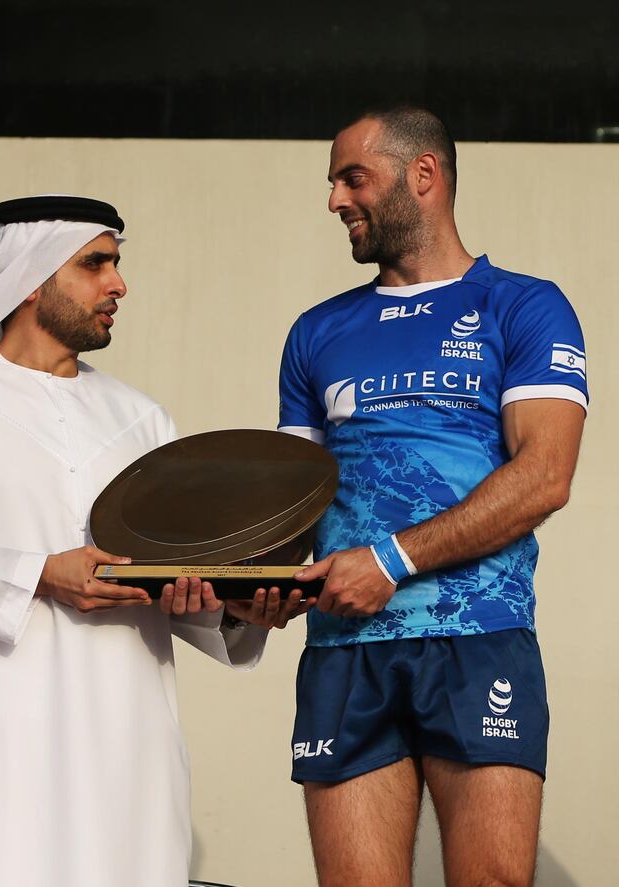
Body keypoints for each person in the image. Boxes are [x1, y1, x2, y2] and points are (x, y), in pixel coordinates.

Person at [0, 195, 306, 887]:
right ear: (29, 278)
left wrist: (237, 608)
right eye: (95, 264)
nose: (118, 284)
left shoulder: (141, 418)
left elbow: (171, 578)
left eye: (118, 264)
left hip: (122, 750)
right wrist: (41, 572)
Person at [279, 108, 588, 886]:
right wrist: (250, 587)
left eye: (353, 177)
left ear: (424, 176)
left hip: (478, 635)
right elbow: (287, 508)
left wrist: (388, 559)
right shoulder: (315, 332)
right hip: (344, 650)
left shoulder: (524, 305)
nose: (335, 200)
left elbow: (544, 475)